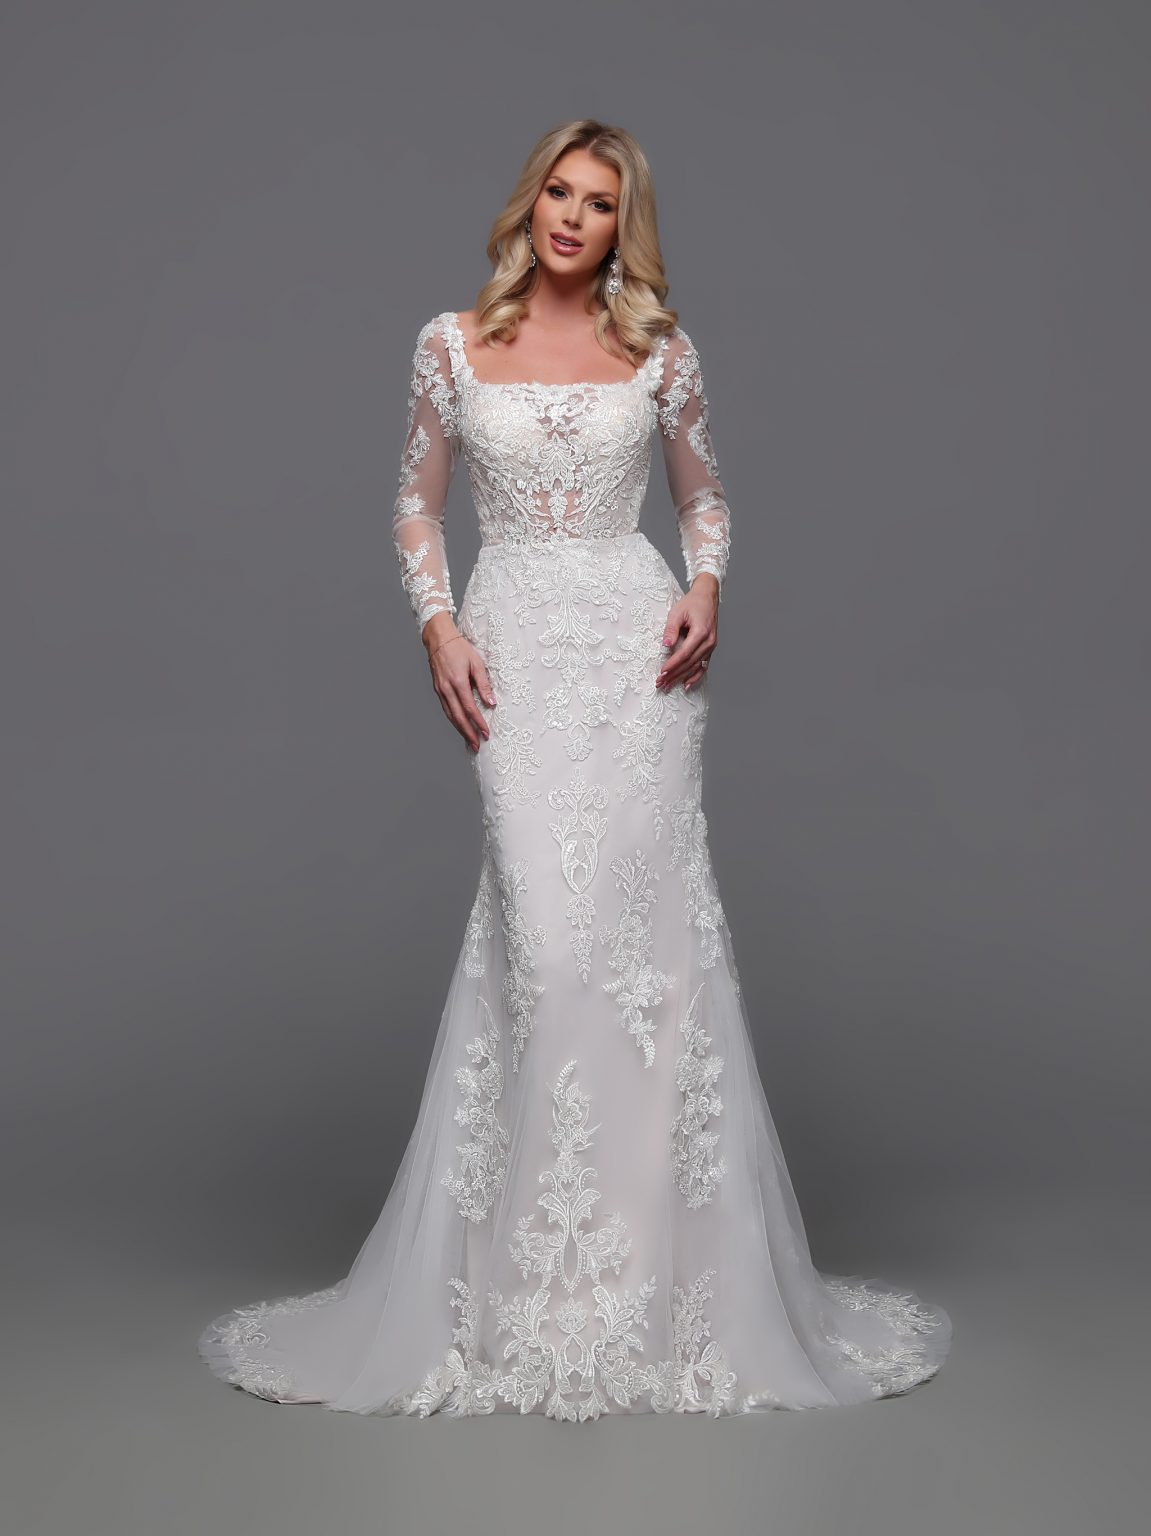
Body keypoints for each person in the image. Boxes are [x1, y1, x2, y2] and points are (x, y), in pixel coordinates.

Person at [197, 119, 952, 1420]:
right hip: (515, 655)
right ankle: (524, 1293)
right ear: (529, 201)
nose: (572, 217)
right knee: (543, 947)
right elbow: (416, 503)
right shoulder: (450, 345)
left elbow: (704, 499)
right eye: (558, 191)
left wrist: (706, 586)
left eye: (601, 204)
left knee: (642, 951)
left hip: (637, 658)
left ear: (621, 228)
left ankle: (657, 1301)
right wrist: (439, 626)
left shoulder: (662, 351)